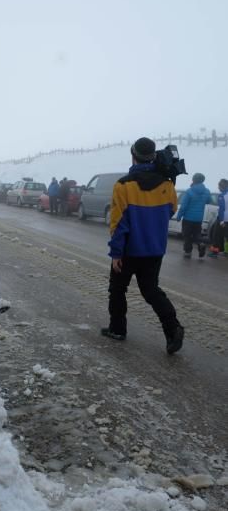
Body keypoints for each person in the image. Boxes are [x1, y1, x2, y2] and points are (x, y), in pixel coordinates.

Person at [101, 137, 184, 355]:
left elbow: (118, 223)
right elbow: (171, 210)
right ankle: (173, 328)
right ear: (153, 156)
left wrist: (116, 252)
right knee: (151, 290)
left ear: (133, 156)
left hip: (129, 250)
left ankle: (117, 329)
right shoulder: (167, 185)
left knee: (117, 290)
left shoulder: (123, 185)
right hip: (154, 249)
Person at [176, 173, 212, 258]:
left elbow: (184, 206)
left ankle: (188, 251)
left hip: (188, 218)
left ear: (194, 180)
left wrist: (179, 216)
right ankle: (201, 243)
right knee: (197, 234)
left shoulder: (189, 191)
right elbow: (208, 201)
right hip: (199, 218)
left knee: (187, 235)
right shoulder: (206, 191)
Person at [208, 179, 228, 257]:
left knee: (217, 236)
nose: (218, 187)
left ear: (222, 186)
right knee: (227, 236)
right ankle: (226, 252)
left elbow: (222, 209)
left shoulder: (222, 195)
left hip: (223, 219)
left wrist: (221, 220)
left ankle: (214, 252)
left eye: (219, 186)